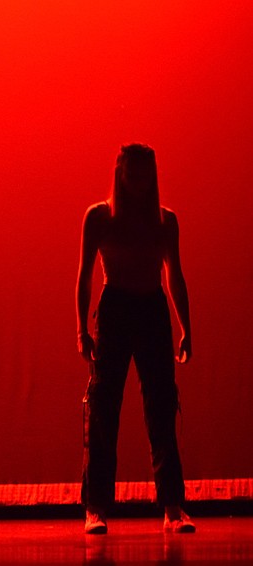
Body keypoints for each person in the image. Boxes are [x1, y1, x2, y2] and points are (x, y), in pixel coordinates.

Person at [76, 143, 195, 535]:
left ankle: (172, 506)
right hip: (115, 310)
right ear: (120, 175)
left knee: (161, 405)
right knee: (103, 407)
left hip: (151, 309)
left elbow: (174, 276)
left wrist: (185, 328)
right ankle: (96, 507)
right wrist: (81, 329)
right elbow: (84, 276)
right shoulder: (99, 218)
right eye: (133, 176)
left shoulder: (165, 221)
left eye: (146, 177)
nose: (139, 185)